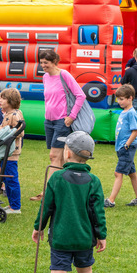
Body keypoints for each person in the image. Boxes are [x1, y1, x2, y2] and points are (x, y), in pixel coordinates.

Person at [32, 132, 107, 273]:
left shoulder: (57, 177)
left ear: (67, 153)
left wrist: (38, 227)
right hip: (84, 239)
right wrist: (101, 235)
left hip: (61, 238)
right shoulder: (94, 181)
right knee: (85, 271)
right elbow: (97, 212)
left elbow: (46, 206)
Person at [30, 50, 86, 202]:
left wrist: (71, 117)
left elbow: (81, 95)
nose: (43, 66)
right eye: (41, 63)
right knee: (59, 158)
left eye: (45, 63)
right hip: (49, 121)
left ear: (54, 61)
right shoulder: (45, 77)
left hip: (62, 121)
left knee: (54, 156)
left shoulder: (64, 75)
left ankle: (48, 192)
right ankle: (63, 190)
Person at [105, 84, 137, 208]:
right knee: (132, 174)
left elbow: (135, 131)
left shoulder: (131, 113)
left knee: (118, 173)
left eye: (122, 99)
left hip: (127, 148)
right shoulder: (124, 112)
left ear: (130, 98)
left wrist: (126, 145)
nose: (119, 101)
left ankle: (111, 200)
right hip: (122, 148)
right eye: (118, 99)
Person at [0, 88, 24, 214]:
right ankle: (12, 204)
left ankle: (16, 207)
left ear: (11, 101)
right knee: (6, 178)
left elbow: (19, 132)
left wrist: (1, 129)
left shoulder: (14, 115)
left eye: (3, 98)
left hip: (11, 152)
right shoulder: (7, 113)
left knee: (11, 178)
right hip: (5, 152)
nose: (0, 100)